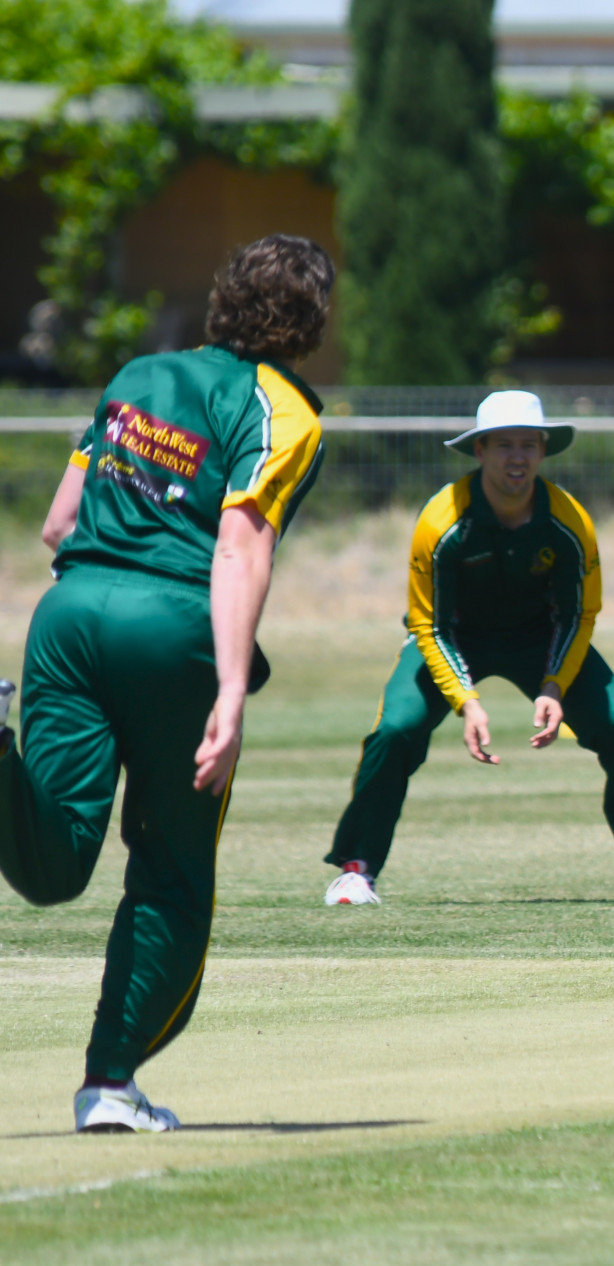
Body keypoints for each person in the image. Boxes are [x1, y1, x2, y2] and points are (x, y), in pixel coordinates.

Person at [0, 234, 335, 1133]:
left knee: (57, 861)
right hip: (174, 633)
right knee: (173, 876)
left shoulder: (137, 376)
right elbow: (241, 542)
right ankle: (109, 1082)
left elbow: (58, 522)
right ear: (308, 327)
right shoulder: (287, 410)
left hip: (67, 618)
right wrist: (230, 688)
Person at [321, 390, 614, 908]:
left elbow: (578, 615)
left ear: (543, 451)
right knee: (394, 731)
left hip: (541, 639)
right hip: (454, 637)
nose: (518, 457)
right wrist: (466, 700)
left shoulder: (569, 523)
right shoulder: (440, 521)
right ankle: (356, 869)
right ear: (480, 451)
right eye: (504, 445)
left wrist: (555, 685)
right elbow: (430, 624)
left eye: (529, 445)